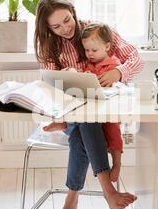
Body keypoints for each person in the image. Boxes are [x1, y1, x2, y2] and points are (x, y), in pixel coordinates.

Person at [34, 0, 144, 209]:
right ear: (48, 28)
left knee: (83, 130)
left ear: (72, 11)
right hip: (70, 111)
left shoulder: (97, 30)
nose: (65, 28)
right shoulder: (49, 48)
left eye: (67, 19)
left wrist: (120, 72)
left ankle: (71, 201)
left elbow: (136, 58)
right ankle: (108, 191)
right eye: (56, 26)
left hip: (101, 113)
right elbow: (50, 87)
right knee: (84, 122)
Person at [46, 22, 124, 183]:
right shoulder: (90, 64)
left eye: (94, 50)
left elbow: (118, 88)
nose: (90, 54)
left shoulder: (113, 66)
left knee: (114, 133)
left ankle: (117, 164)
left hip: (107, 112)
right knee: (81, 120)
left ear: (107, 47)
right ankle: (65, 123)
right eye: (87, 50)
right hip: (90, 111)